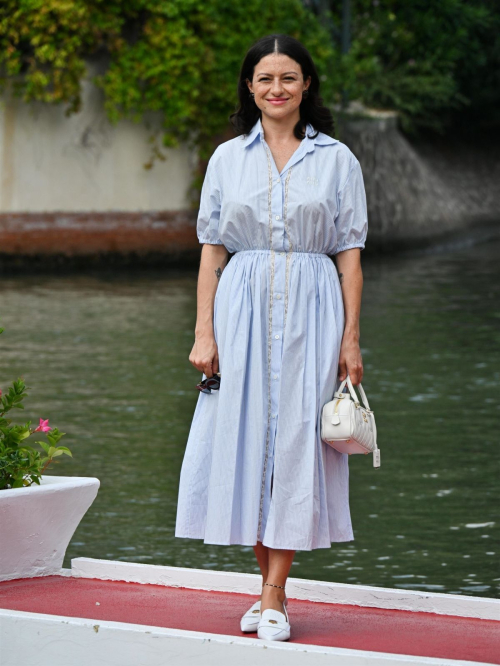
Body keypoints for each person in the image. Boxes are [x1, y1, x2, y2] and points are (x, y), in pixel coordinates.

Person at [175, 33, 368, 642]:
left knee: (295, 446)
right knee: (248, 445)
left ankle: (273, 594)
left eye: (288, 77)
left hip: (314, 308)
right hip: (241, 306)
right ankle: (270, 591)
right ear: (250, 87)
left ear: (306, 84)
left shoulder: (338, 159)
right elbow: (212, 249)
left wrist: (352, 339)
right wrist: (204, 330)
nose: (276, 88)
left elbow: (350, 256)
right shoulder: (227, 159)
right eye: (265, 78)